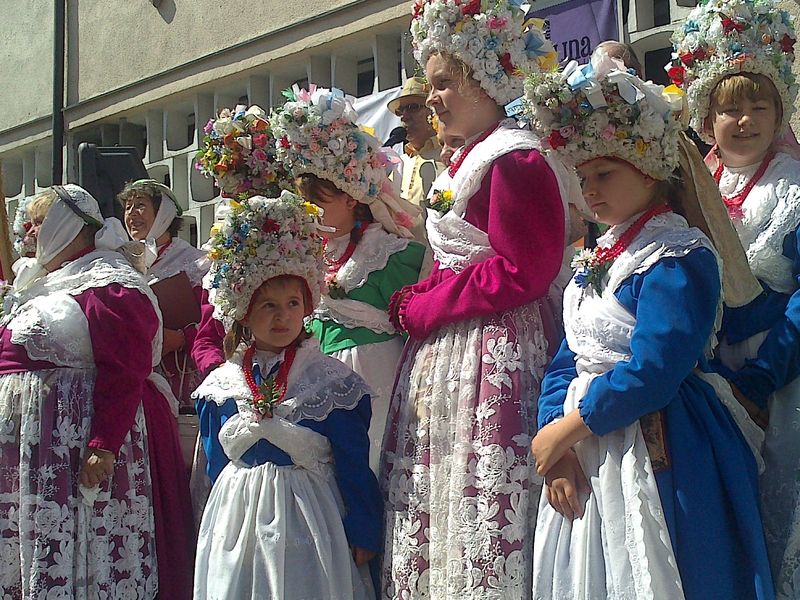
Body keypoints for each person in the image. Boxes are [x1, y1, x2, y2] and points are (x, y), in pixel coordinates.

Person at [525, 57, 773, 599]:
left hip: (667, 439)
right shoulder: (602, 253)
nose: (589, 190)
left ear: (650, 169)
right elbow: (570, 354)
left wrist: (570, 428)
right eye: (583, 177)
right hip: (588, 446)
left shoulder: (676, 255)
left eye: (605, 174)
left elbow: (656, 368)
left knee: (670, 564)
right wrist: (557, 444)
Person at [380, 2, 569, 597]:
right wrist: (420, 295)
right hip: (454, 348)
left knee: (484, 488)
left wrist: (426, 306)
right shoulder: (461, 159)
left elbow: (521, 270)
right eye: (430, 84)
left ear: (484, 82)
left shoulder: (515, 158)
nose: (430, 98)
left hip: (496, 348)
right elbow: (458, 257)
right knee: (441, 492)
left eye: (442, 85)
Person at [193, 191, 382, 599]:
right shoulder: (221, 387)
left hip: (309, 517)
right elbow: (214, 463)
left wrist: (363, 527)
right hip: (237, 520)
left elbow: (352, 460)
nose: (283, 316)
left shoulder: (330, 382)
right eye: (268, 306)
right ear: (244, 311)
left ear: (307, 306)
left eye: (293, 303)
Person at [672, 0, 800, 595]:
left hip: (783, 374)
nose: (744, 121)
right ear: (707, 117)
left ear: (779, 113)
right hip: (713, 371)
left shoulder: (792, 189)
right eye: (729, 109)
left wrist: (762, 377)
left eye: (758, 106)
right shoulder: (702, 184)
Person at [0, 185, 161, 598]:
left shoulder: (107, 281)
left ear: (66, 226)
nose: (29, 233)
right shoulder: (42, 284)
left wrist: (103, 443)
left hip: (70, 446)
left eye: (38, 222)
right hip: (28, 453)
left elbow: (126, 368)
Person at [273, 87, 425, 472]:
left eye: (321, 202)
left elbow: (416, 327)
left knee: (370, 464)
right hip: (315, 376)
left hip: (373, 376)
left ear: (352, 198)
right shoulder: (304, 254)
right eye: (305, 203)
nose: (311, 213)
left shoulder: (387, 253)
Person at [117, 179, 219, 408]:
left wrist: (182, 338)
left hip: (183, 376)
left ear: (163, 213)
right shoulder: (120, 263)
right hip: (139, 380)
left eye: (140, 205)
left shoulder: (194, 262)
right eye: (128, 207)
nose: (132, 214)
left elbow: (214, 321)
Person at [387, 76, 445, 205]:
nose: (404, 116)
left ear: (432, 111)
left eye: (412, 107)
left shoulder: (447, 154)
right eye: (401, 110)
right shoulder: (397, 164)